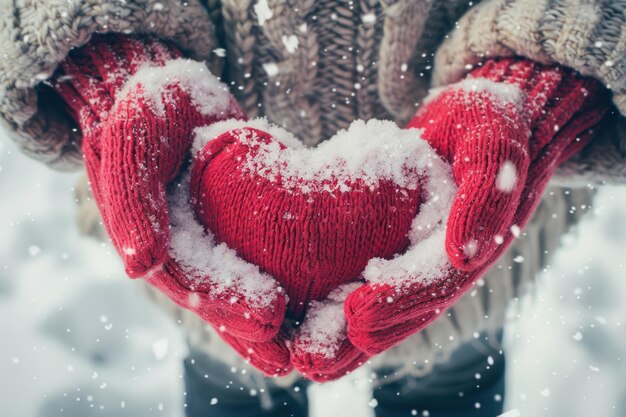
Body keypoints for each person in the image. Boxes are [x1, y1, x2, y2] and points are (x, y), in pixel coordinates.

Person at [1, 1, 625, 416]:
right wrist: (109, 63)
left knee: (452, 381)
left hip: (479, 220)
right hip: (188, 215)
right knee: (230, 384)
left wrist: (536, 85)